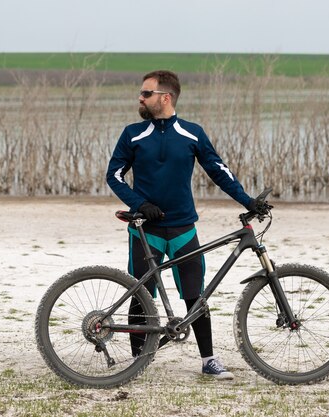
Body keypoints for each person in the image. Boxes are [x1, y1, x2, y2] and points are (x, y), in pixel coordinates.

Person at [106, 70, 263, 379]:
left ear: (166, 97)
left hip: (183, 229)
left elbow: (219, 171)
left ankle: (208, 361)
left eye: (146, 93)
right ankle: (138, 362)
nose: (140, 97)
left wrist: (248, 201)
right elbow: (113, 176)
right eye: (141, 93)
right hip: (145, 229)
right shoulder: (132, 134)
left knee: (195, 296)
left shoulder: (192, 133)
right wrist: (139, 204)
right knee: (141, 295)